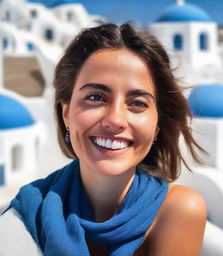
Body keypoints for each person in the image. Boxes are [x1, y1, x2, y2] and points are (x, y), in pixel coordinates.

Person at [0, 23, 207, 256]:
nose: (115, 119)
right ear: (66, 114)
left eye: (138, 103)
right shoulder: (30, 208)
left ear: (156, 126)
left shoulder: (178, 210)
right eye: (96, 97)